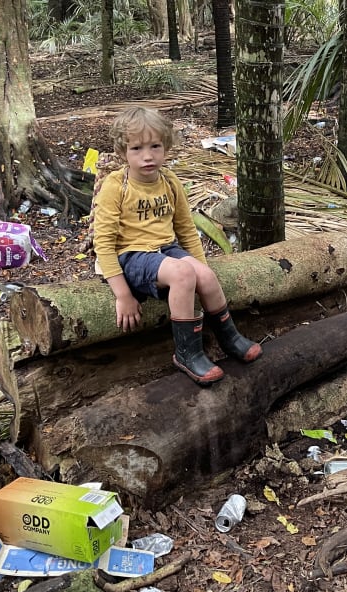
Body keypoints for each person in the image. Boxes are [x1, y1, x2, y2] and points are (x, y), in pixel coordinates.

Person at [92, 106, 262, 385]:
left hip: (166, 249)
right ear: (123, 152)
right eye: (136, 149)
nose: (147, 156)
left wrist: (201, 271)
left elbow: (185, 228)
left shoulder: (169, 181)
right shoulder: (116, 186)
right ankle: (187, 352)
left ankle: (229, 337)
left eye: (155, 146)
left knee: (204, 274)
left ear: (166, 146)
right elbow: (104, 243)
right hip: (132, 256)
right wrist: (122, 294)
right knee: (183, 274)